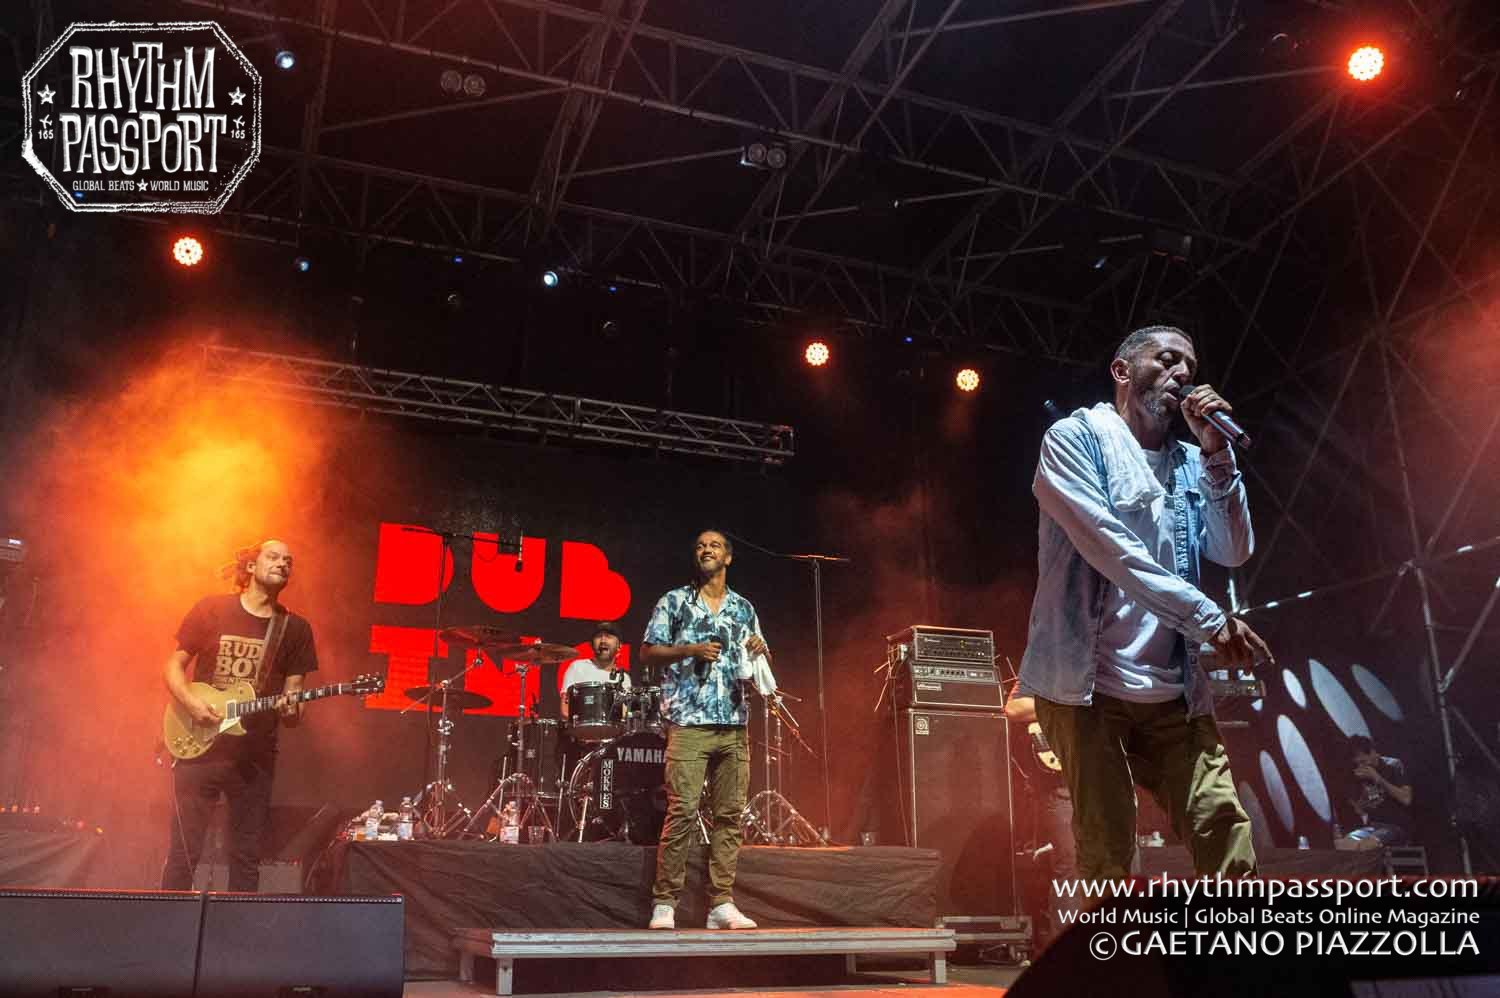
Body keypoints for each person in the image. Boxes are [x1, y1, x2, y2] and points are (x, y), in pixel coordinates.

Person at [1017, 324, 1274, 887]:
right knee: (1107, 847)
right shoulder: (1074, 440)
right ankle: (1112, 946)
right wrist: (1209, 620)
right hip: (1086, 686)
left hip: (1173, 690)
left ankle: (1244, 944)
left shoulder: (1193, 461)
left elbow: (1233, 550)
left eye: (1191, 366)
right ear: (1122, 371)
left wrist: (1218, 454)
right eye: (1167, 359)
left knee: (1223, 827)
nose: (1183, 373)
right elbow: (1111, 549)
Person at [160, 539, 318, 892]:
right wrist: (191, 703)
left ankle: (236, 925)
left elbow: (294, 703)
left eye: (288, 561)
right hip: (200, 747)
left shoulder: (295, 628)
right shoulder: (212, 609)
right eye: (273, 557)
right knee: (184, 851)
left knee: (246, 857)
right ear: (250, 566)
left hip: (254, 756)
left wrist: (292, 709)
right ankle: (170, 921)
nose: (283, 564)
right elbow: (173, 666)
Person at [639, 529, 768, 930]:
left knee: (730, 815)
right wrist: (689, 650)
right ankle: (665, 902)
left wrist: (761, 649)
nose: (706, 549)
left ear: (728, 557)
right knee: (682, 811)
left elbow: (757, 660)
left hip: (733, 723)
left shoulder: (744, 608)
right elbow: (647, 652)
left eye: (714, 545)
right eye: (699, 545)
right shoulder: (675, 601)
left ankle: (721, 904)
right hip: (689, 722)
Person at [1340, 735, 1413, 849]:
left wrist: (1377, 778)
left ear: (1373, 752)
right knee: (1342, 844)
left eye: (1363, 761)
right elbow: (1361, 809)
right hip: (1372, 826)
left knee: (1365, 845)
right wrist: (1361, 802)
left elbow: (1406, 799)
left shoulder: (1393, 765)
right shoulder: (1359, 773)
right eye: (1357, 762)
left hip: (1395, 826)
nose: (1361, 765)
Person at [559, 620, 632, 718]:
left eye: (608, 636)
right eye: (598, 636)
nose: (603, 640)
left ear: (619, 646)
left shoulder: (624, 678)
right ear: (591, 645)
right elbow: (565, 709)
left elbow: (625, 714)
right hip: (581, 727)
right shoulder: (577, 667)